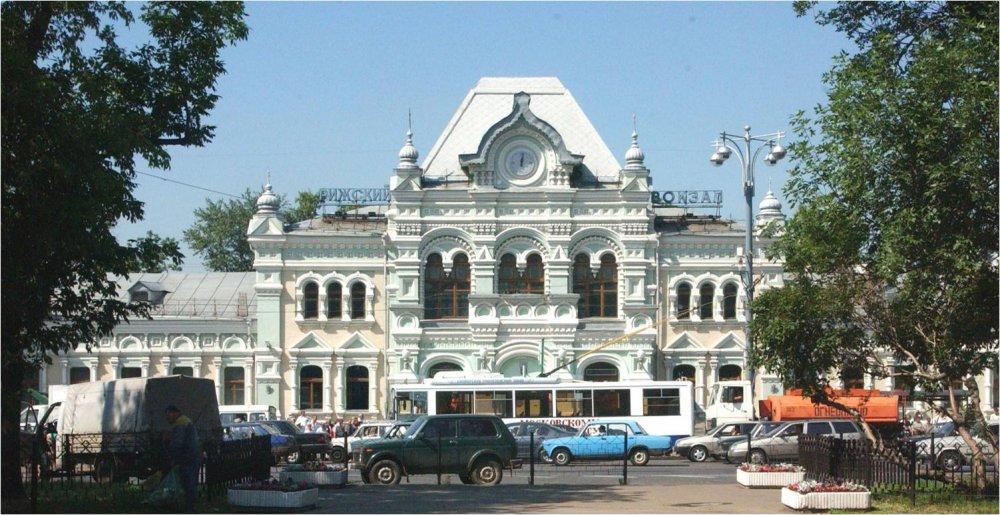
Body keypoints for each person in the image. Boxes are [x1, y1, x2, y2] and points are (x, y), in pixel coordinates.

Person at [165, 405, 200, 513]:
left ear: (175, 413)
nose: (167, 418)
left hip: (187, 458)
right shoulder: (186, 421)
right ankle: (191, 507)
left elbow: (177, 444)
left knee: (188, 484)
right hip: (193, 457)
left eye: (168, 415)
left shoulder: (180, 424)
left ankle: (189, 509)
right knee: (191, 484)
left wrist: (172, 457)